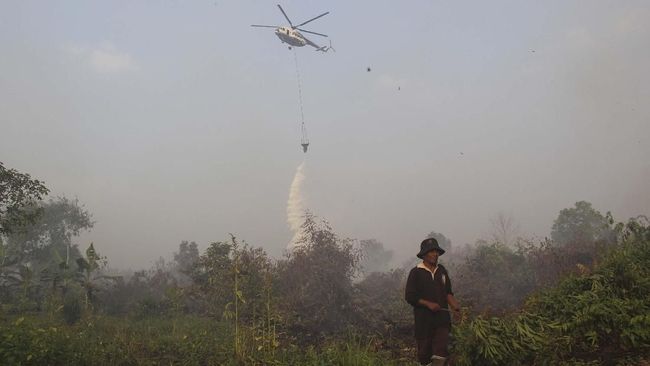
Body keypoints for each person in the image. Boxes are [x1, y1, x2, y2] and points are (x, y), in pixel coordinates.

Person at [405, 238, 460, 366]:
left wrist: (455, 307)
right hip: (423, 322)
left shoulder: (442, 271)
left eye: (436, 252)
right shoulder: (416, 272)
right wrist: (428, 304)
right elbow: (410, 296)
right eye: (431, 251)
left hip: (442, 320)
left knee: (440, 352)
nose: (435, 254)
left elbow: (448, 293)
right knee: (424, 357)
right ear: (424, 254)